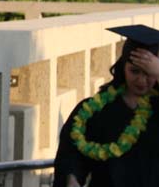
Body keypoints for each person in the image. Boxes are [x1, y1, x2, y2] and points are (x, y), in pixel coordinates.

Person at [53, 24, 159, 187]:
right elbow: (71, 153)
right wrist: (71, 177)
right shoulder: (98, 109)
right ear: (122, 67)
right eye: (134, 71)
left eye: (148, 73)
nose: (141, 80)